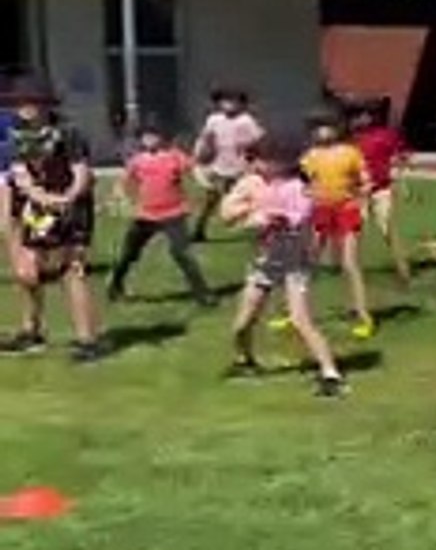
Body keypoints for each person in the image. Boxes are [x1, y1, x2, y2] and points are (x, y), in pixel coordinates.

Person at [220, 135, 346, 397]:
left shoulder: (297, 188)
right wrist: (247, 209)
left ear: (282, 163)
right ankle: (245, 360)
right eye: (253, 159)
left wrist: (262, 215)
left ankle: (331, 374)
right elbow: (226, 214)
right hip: (264, 264)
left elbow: (293, 218)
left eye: (261, 159)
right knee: (241, 325)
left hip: (293, 264)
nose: (255, 164)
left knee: (300, 320)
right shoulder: (251, 183)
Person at [2, 79, 105, 362]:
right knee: (28, 271)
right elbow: (20, 172)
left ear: (46, 105)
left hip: (71, 206)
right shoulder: (18, 134)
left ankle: (88, 341)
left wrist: (66, 199)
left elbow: (81, 173)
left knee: (72, 270)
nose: (24, 107)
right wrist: (38, 196)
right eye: (19, 102)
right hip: (38, 206)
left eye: (31, 101)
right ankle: (31, 330)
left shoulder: (67, 132)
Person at [108, 118, 214, 307]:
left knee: (182, 254)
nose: (150, 140)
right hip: (145, 216)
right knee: (129, 253)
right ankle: (115, 286)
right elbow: (122, 182)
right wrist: (121, 199)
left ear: (164, 138)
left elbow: (193, 170)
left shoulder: (175, 156)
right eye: (145, 137)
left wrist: (205, 184)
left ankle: (202, 293)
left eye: (154, 136)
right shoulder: (137, 161)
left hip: (174, 213)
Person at [299, 110, 376, 338]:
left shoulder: (350, 153)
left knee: (349, 263)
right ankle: (297, 312)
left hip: (346, 209)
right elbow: (301, 182)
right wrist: (306, 196)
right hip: (321, 210)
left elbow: (366, 180)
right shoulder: (310, 156)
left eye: (328, 126)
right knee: (309, 262)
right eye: (318, 127)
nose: (323, 131)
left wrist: (361, 196)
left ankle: (364, 316)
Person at [349, 97, 412, 285]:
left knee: (388, 230)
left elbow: (401, 157)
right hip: (359, 190)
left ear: (371, 116)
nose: (358, 120)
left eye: (361, 116)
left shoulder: (387, 135)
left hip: (381, 189)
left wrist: (401, 181)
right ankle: (355, 272)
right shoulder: (353, 138)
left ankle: (404, 271)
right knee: (355, 231)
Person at [192, 86, 264, 242]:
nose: (229, 105)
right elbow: (206, 138)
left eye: (233, 101)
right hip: (218, 166)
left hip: (240, 168)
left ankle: (259, 230)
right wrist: (201, 153)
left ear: (241, 104)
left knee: (248, 199)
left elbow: (257, 142)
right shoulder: (214, 120)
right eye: (225, 101)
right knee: (210, 200)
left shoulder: (246, 121)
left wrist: (253, 158)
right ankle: (198, 230)